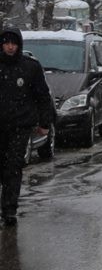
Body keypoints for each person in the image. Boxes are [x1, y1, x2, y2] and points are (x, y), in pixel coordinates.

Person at [0, 27, 55, 226]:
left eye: (13, 43)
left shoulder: (30, 67)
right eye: (6, 43)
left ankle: (9, 209)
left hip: (20, 127)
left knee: (13, 167)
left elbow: (43, 96)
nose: (10, 47)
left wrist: (44, 123)